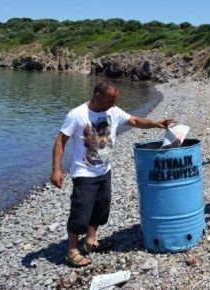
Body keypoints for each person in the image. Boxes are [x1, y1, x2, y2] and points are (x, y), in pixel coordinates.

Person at [51, 80, 175, 267]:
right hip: (84, 173)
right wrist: (56, 169)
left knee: (101, 209)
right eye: (110, 100)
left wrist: (156, 123)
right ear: (97, 96)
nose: (113, 104)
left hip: (104, 170)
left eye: (115, 100)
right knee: (80, 214)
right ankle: (72, 250)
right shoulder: (77, 114)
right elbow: (61, 141)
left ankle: (90, 241)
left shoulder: (113, 111)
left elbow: (134, 120)